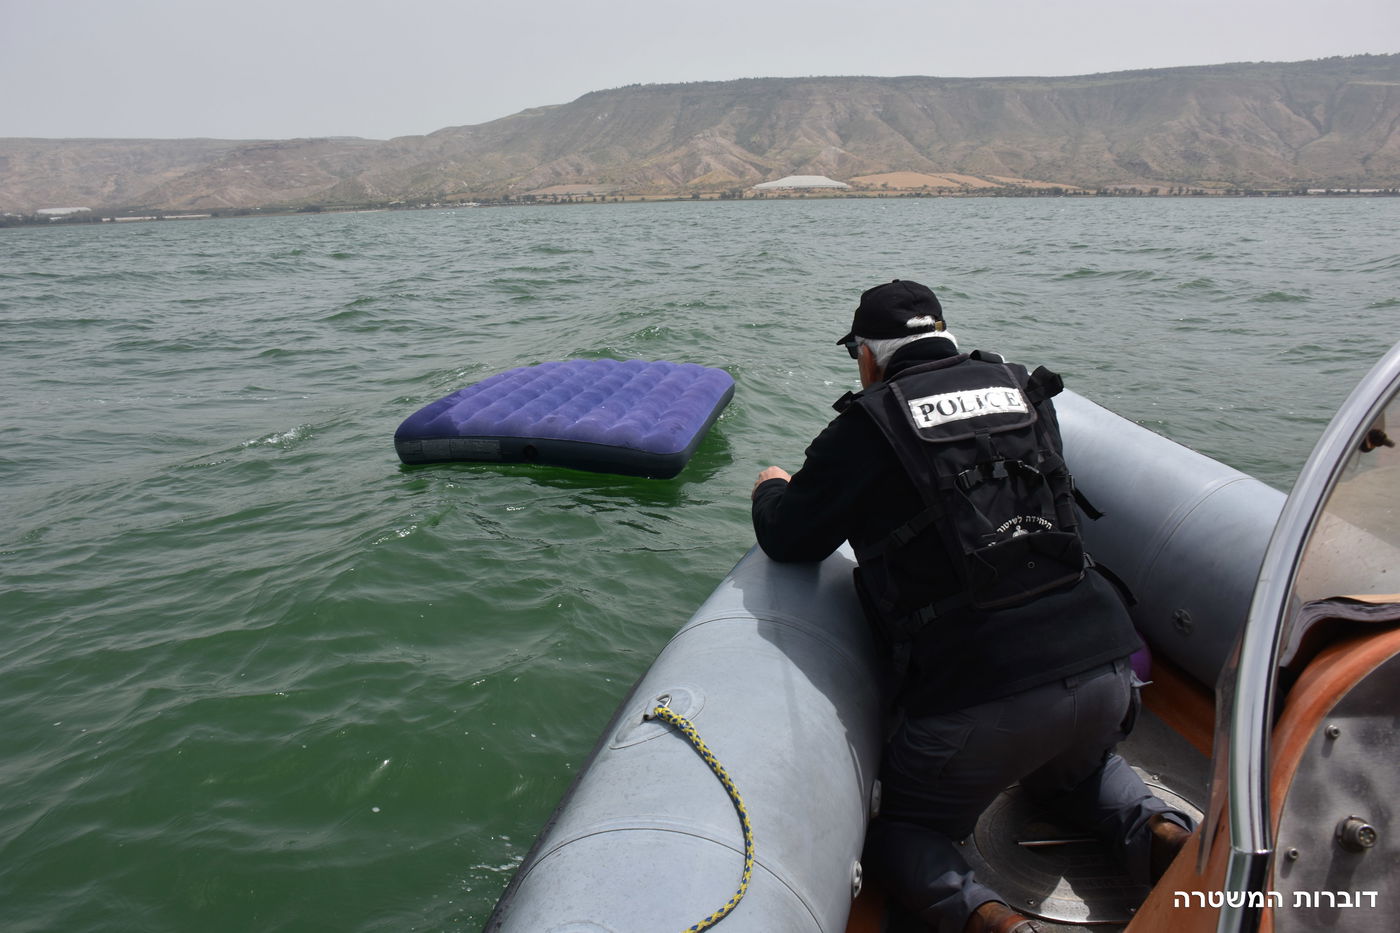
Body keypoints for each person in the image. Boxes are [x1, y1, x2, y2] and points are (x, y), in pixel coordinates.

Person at [750, 280, 1193, 933]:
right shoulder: (1022, 388)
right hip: (1106, 669)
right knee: (1077, 774)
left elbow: (791, 538)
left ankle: (992, 920)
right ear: (944, 335)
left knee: (900, 829)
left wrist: (771, 488)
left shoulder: (867, 424)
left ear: (867, 357)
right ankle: (1162, 832)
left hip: (981, 696)